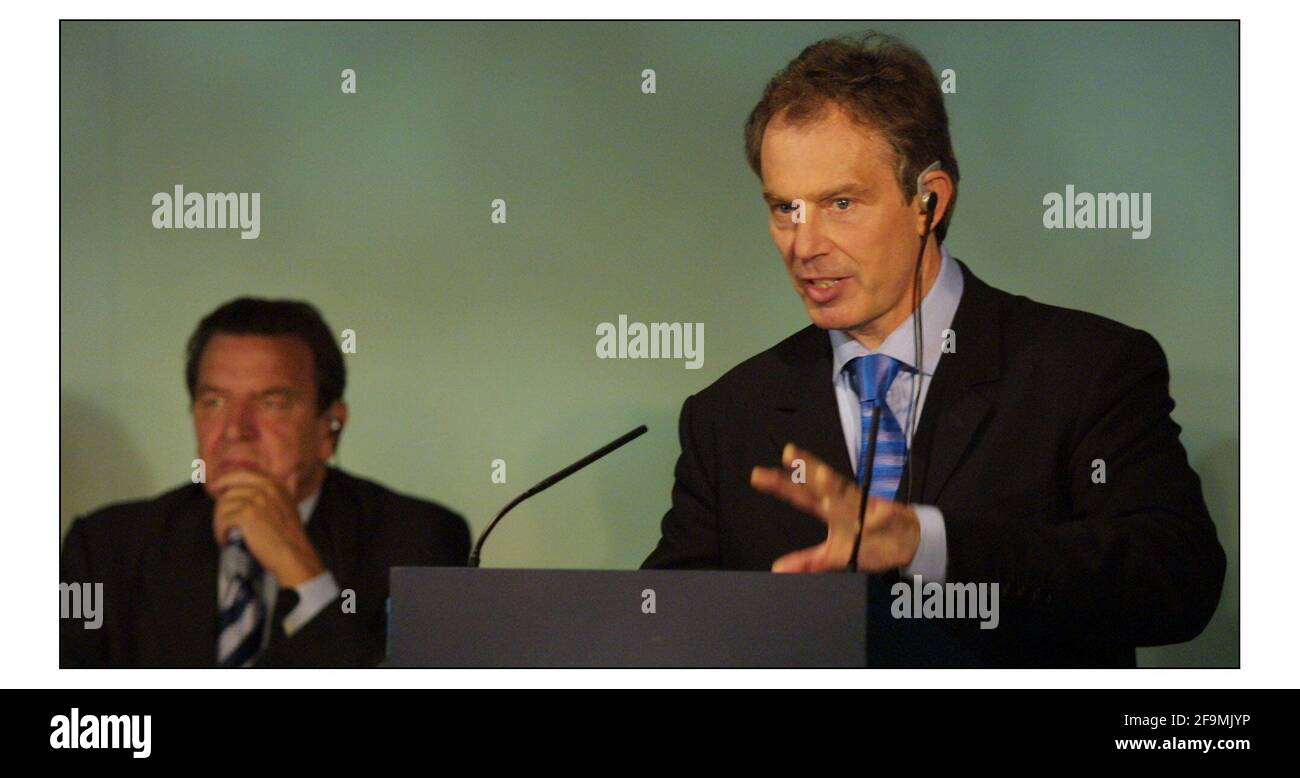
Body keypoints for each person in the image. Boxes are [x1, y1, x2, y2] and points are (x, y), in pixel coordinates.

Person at [642, 32, 1226, 667]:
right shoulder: (729, 416)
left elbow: (1176, 581)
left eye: (840, 203)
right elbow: (667, 624)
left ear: (929, 200)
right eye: (785, 208)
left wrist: (927, 544)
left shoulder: (1086, 368)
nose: (802, 244)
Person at [60, 298, 469, 668]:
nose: (236, 430)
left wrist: (304, 574)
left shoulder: (422, 541)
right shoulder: (103, 549)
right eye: (214, 402)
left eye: (272, 403)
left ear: (331, 428)